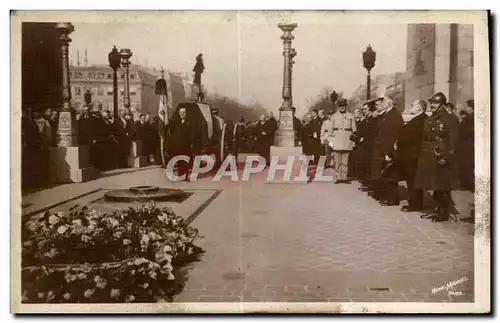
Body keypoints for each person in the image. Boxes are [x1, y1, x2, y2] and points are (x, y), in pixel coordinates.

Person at [414, 92, 460, 222]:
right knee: (435, 185)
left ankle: (443, 213)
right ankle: (437, 210)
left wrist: (447, 157)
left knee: (443, 186)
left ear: (442, 104)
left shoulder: (450, 119)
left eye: (435, 102)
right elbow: (425, 138)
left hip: (441, 155)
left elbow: (453, 141)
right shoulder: (430, 118)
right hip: (429, 155)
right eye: (431, 102)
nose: (432, 105)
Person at [370, 93, 404, 205]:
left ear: (388, 103)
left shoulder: (394, 114)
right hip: (383, 148)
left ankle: (393, 199)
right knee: (386, 174)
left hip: (389, 150)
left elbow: (393, 134)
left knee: (390, 175)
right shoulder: (388, 114)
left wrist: (388, 152)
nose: (381, 104)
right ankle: (389, 197)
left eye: (383, 102)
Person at [396, 100, 427, 212]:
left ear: (419, 108)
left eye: (412, 105)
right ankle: (414, 202)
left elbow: (411, 137)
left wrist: (401, 137)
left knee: (413, 179)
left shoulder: (421, 120)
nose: (411, 107)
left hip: (413, 154)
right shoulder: (417, 119)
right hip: (410, 154)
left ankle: (415, 204)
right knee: (411, 179)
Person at [328, 99, 357, 183]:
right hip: (337, 138)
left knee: (345, 160)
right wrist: (330, 140)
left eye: (343, 106)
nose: (342, 108)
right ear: (338, 107)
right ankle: (338, 177)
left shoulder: (351, 116)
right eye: (340, 106)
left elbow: (354, 129)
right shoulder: (334, 116)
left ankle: (344, 177)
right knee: (337, 160)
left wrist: (354, 141)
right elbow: (330, 130)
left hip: (347, 139)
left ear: (346, 106)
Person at [167, 106, 194, 180]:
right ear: (179, 113)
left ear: (186, 113)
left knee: (185, 161)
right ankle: (180, 174)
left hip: (186, 146)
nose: (182, 114)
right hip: (177, 145)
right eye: (181, 112)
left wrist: (191, 144)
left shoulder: (190, 122)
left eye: (184, 112)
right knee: (178, 160)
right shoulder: (175, 122)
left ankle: (185, 176)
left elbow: (192, 134)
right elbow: (168, 126)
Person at [457, 99, 474, 191]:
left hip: (467, 144)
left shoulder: (471, 119)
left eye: (468, 107)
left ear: (472, 108)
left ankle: (471, 185)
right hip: (464, 144)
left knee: (467, 166)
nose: (466, 108)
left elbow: (468, 132)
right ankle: (465, 185)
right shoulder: (468, 118)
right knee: (464, 165)